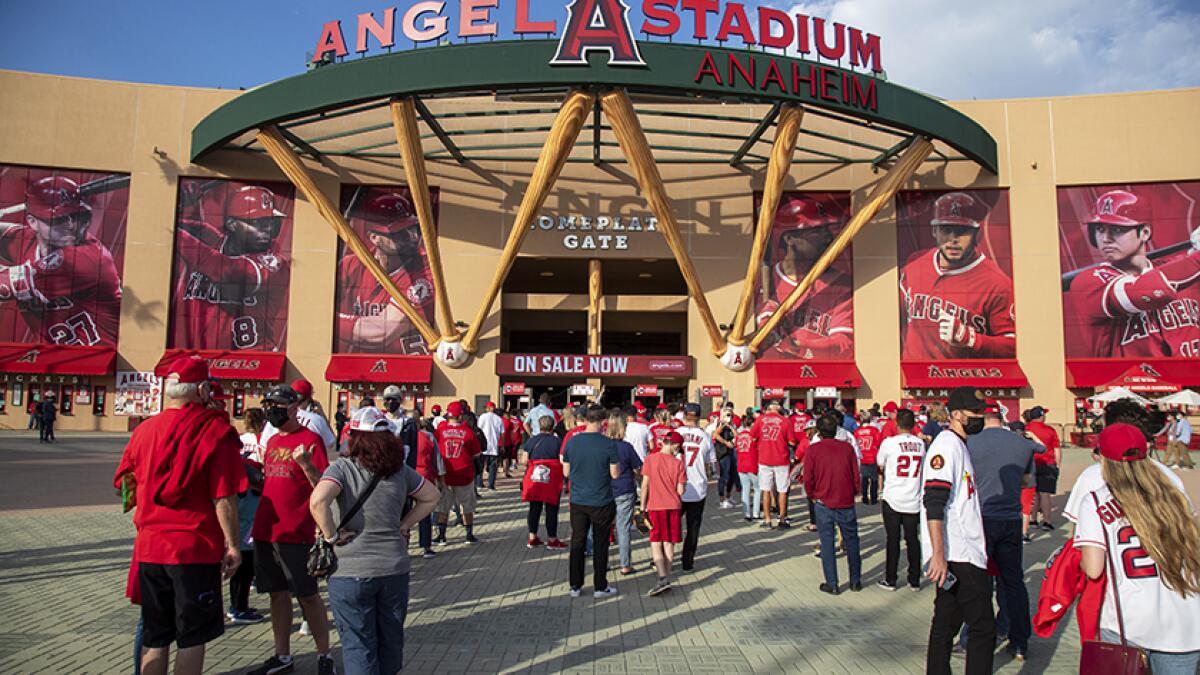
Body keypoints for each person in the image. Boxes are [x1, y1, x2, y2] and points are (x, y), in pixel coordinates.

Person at [113, 356, 244, 675]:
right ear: (202, 389)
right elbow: (223, 496)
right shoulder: (214, 430)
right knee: (191, 637)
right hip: (193, 548)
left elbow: (122, 486)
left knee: (155, 637)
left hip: (150, 548)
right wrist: (233, 545)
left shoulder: (143, 430)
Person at [309, 407, 440, 675]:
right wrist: (404, 524)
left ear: (354, 437)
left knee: (359, 645)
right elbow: (431, 496)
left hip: (349, 570)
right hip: (393, 568)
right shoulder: (400, 471)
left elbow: (318, 501)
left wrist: (331, 535)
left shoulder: (342, 468)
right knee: (390, 640)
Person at [1073, 422, 1200, 673]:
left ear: (1104, 459)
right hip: (1184, 619)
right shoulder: (1174, 494)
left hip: (1129, 621)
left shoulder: (1097, 500)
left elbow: (1094, 569)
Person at [248, 385, 335, 675]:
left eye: (278, 404)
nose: (272, 409)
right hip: (266, 529)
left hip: (297, 530)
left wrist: (307, 464)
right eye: (268, 404)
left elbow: (322, 485)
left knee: (308, 595)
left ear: (294, 408)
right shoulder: (272, 442)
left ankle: (324, 656)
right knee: (276, 594)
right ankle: (282, 655)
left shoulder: (310, 440)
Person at [1064, 189, 1200, 357]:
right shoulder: (1087, 282)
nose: (1106, 238)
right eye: (1099, 228)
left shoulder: (1178, 269)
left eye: (1117, 229)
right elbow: (1150, 291)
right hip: (1126, 382)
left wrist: (1194, 251)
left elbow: (1179, 266)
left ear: (1145, 232)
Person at [0, 175, 124, 346]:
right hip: (53, 360)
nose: (70, 225)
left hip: (102, 360)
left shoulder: (87, 258)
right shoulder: (27, 241)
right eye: (58, 219)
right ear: (32, 222)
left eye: (76, 217)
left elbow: (5, 283)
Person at [921, 386, 993, 675]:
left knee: (946, 623)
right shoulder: (946, 446)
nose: (980, 418)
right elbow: (934, 502)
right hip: (958, 553)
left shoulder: (958, 445)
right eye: (975, 413)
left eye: (982, 413)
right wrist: (938, 554)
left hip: (962, 550)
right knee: (983, 627)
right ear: (957, 415)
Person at [171, 183, 290, 351]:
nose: (267, 230)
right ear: (232, 224)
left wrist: (175, 234)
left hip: (255, 360)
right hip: (205, 358)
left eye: (271, 223)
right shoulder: (213, 241)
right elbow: (175, 225)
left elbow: (227, 271)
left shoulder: (274, 264)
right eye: (257, 222)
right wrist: (178, 206)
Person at [899, 191, 1017, 359]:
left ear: (977, 234)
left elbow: (1015, 347)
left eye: (962, 231)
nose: (953, 239)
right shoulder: (914, 264)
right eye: (946, 230)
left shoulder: (998, 284)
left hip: (963, 379)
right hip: (914, 380)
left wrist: (972, 339)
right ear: (934, 231)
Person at [964, 400, 1038, 661]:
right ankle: (1019, 641)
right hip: (1010, 517)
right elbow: (1027, 480)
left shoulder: (970, 443)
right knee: (1013, 582)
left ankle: (971, 638)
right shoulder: (1022, 443)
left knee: (978, 581)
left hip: (981, 517)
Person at [334, 190, 435, 355]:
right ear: (374, 237)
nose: (411, 237)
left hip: (407, 369)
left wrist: (325, 319)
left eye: (412, 228)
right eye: (398, 233)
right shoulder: (352, 265)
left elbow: (380, 332)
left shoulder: (425, 272)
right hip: (360, 368)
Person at [754, 194, 854, 360]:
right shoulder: (763, 280)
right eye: (816, 231)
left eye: (827, 230)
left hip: (824, 378)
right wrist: (765, 317)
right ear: (790, 238)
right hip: (769, 378)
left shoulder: (839, 284)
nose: (827, 237)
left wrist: (797, 346)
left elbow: (844, 346)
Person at [562, 403, 620, 598]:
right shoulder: (609, 444)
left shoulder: (571, 441)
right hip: (601, 500)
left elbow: (566, 472)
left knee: (577, 542)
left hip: (578, 499)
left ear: (585, 419)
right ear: (604, 421)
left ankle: (575, 586)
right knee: (600, 544)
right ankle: (599, 586)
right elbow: (614, 474)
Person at [803, 414, 862, 595]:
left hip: (823, 501)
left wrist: (811, 495)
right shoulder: (847, 448)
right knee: (852, 541)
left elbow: (808, 477)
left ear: (819, 432)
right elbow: (855, 474)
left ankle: (832, 582)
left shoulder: (813, 450)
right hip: (845, 500)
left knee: (827, 542)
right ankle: (855, 580)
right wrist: (855, 491)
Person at [875, 409, 925, 591]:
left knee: (893, 540)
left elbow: (880, 463)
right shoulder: (920, 444)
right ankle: (914, 579)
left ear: (896, 424)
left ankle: (891, 578)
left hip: (893, 496)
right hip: (913, 496)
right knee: (913, 539)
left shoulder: (889, 443)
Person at [229, 408, 267, 625]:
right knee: (245, 557)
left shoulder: (242, 439)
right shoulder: (264, 440)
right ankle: (238, 606)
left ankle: (236, 604)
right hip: (253, 494)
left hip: (239, 494)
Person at [640, 431, 687, 596]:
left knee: (656, 542)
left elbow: (645, 485)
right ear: (674, 445)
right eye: (678, 447)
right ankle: (666, 576)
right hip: (673, 506)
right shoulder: (678, 463)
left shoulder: (650, 459)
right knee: (669, 543)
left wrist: (642, 505)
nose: (677, 450)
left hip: (655, 506)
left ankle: (662, 577)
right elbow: (681, 491)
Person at [432, 401, 481, 545]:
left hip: (445, 475)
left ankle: (441, 536)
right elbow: (476, 453)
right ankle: (469, 535)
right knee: (467, 506)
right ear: (460, 416)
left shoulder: (440, 430)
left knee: (443, 507)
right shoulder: (468, 432)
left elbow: (434, 447)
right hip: (464, 474)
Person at [677, 403, 717, 572]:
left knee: (671, 525)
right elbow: (713, 467)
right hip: (698, 487)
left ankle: (664, 558)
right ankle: (687, 561)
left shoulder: (676, 434)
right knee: (693, 527)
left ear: (685, 415)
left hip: (676, 486)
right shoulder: (706, 437)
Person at [521, 415, 568, 550]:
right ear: (552, 426)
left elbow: (524, 460)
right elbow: (562, 460)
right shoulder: (558, 441)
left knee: (534, 507)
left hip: (535, 479)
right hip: (552, 479)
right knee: (551, 509)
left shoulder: (531, 441)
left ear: (539, 425)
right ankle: (552, 539)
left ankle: (532, 537)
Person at [750, 400, 796, 528]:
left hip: (764, 458)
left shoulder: (760, 420)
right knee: (782, 490)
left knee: (766, 490)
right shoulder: (785, 421)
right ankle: (782, 519)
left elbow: (752, 437)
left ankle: (767, 520)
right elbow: (792, 441)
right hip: (781, 459)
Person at [607, 413, 643, 575]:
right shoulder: (626, 447)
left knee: (602, 528)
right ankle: (625, 564)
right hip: (625, 489)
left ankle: (602, 562)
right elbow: (638, 468)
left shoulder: (602, 446)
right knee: (623, 528)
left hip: (605, 490)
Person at [260, 379, 337, 452]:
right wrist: (322, 414)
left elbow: (262, 448)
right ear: (309, 399)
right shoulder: (317, 420)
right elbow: (331, 444)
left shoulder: (275, 418)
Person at [1024, 406, 1061, 530]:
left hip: (1030, 464)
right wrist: (1057, 466)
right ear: (1041, 416)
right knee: (1045, 493)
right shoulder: (1050, 430)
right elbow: (1057, 449)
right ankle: (1046, 521)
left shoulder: (1026, 429)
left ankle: (1033, 520)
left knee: (1032, 493)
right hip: (1047, 463)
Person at [413, 419, 441, 558]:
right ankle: (426, 546)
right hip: (424, 476)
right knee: (424, 512)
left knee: (402, 513)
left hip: (405, 476)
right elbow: (436, 459)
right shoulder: (428, 436)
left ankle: (402, 546)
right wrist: (440, 477)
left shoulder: (399, 436)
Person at [708, 407, 739, 508]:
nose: (729, 417)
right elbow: (715, 435)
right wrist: (723, 424)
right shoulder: (719, 424)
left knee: (733, 475)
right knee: (723, 476)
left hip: (731, 451)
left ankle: (728, 496)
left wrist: (730, 426)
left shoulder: (732, 425)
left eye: (730, 415)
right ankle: (722, 499)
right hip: (722, 452)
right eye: (727, 415)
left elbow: (737, 436)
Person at [734, 417, 761, 522]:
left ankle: (746, 513)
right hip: (752, 464)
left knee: (745, 489)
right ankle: (756, 513)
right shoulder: (754, 436)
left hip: (741, 464)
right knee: (757, 489)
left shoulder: (739, 436)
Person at [476, 401, 505, 490]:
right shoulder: (499, 419)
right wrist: (502, 445)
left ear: (488, 408)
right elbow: (502, 433)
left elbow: (478, 430)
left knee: (480, 465)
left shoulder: (482, 417)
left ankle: (479, 483)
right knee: (493, 466)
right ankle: (491, 484)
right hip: (494, 446)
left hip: (483, 445)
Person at [854, 418, 883, 505]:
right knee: (874, 479)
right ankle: (874, 498)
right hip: (872, 456)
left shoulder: (857, 431)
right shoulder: (874, 430)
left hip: (862, 457)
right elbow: (879, 443)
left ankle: (865, 498)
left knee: (864, 479)